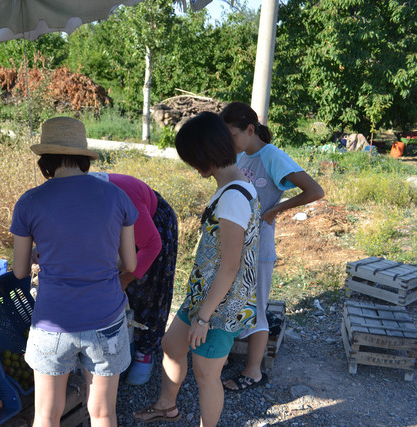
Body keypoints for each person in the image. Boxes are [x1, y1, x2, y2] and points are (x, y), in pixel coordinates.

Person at [133, 112, 260, 426]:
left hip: (221, 307)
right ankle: (167, 406)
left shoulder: (233, 198)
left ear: (205, 155)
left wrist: (203, 319)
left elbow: (230, 266)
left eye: (191, 158)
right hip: (204, 295)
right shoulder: (234, 184)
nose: (192, 166)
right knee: (171, 345)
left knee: (206, 374)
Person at [11, 116, 139, 427]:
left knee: (45, 414)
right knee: (103, 413)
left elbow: (20, 271)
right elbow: (130, 265)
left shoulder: (29, 202)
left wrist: (47, 256)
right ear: (84, 158)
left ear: (45, 160)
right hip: (106, 319)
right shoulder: (116, 196)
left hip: (52, 322)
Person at [220, 101, 325, 391]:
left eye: (232, 135)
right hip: (237, 243)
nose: (229, 142)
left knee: (256, 308)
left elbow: (315, 191)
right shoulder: (241, 155)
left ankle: (253, 371)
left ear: (249, 129)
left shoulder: (271, 155)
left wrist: (275, 210)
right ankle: (223, 356)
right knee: (230, 299)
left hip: (259, 247)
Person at [88, 172, 178, 386]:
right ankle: (124, 343)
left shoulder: (122, 197)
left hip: (153, 224)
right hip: (122, 224)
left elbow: (152, 245)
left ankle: (145, 351)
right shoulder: (77, 199)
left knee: (149, 288)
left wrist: (124, 280)